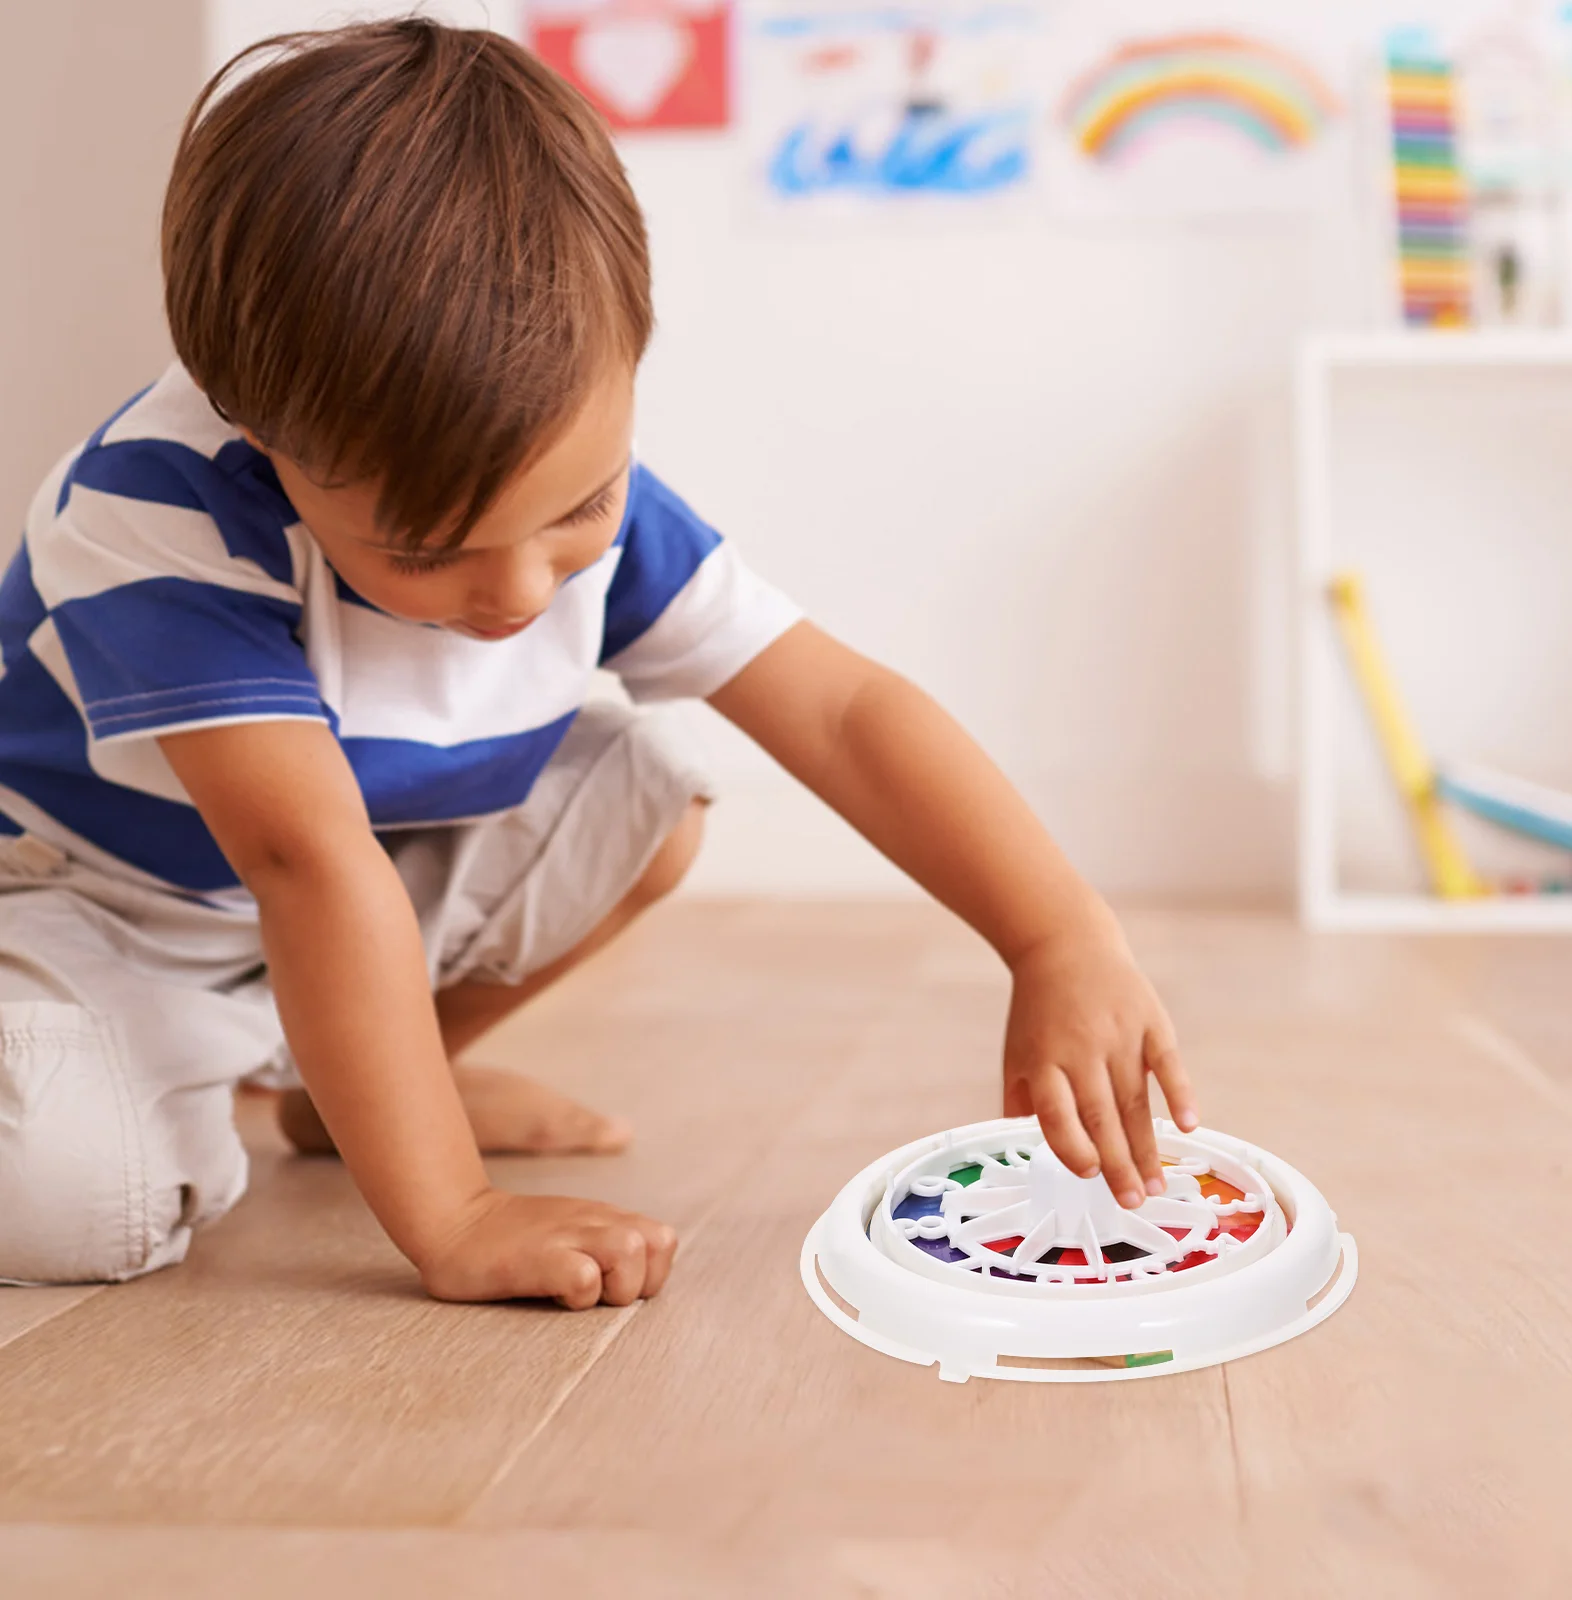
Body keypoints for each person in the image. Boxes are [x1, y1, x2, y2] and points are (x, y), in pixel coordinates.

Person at [0, 20, 1194, 1307]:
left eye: (578, 509)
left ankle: (332, 1093)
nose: (519, 588)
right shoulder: (152, 512)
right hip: (103, 905)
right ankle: (253, 1081)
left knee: (648, 794)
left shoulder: (566, 485)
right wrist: (453, 1211)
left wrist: (1057, 935)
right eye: (430, 546)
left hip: (329, 898)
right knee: (65, 1200)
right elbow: (304, 864)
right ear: (258, 426)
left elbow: (842, 712)